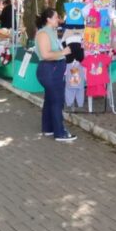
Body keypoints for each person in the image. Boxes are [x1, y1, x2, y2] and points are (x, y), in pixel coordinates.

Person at [34, 8, 76, 142]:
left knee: (50, 100)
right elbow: (45, 55)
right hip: (49, 70)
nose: (58, 19)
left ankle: (48, 128)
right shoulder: (43, 34)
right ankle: (60, 132)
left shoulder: (51, 31)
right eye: (56, 17)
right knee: (57, 101)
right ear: (48, 19)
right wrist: (63, 53)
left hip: (53, 70)